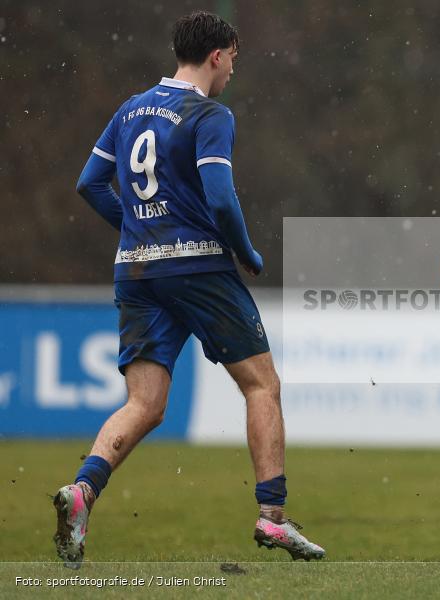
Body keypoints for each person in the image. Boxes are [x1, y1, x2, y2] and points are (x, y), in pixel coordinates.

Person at [53, 11, 324, 569]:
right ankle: (271, 517)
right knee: (261, 385)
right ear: (219, 55)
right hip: (198, 267)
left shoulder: (130, 109)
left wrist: (138, 226)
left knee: (145, 404)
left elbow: (89, 183)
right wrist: (245, 252)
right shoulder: (209, 113)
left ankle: (82, 491)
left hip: (136, 269)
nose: (231, 75)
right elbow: (221, 199)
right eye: (233, 62)